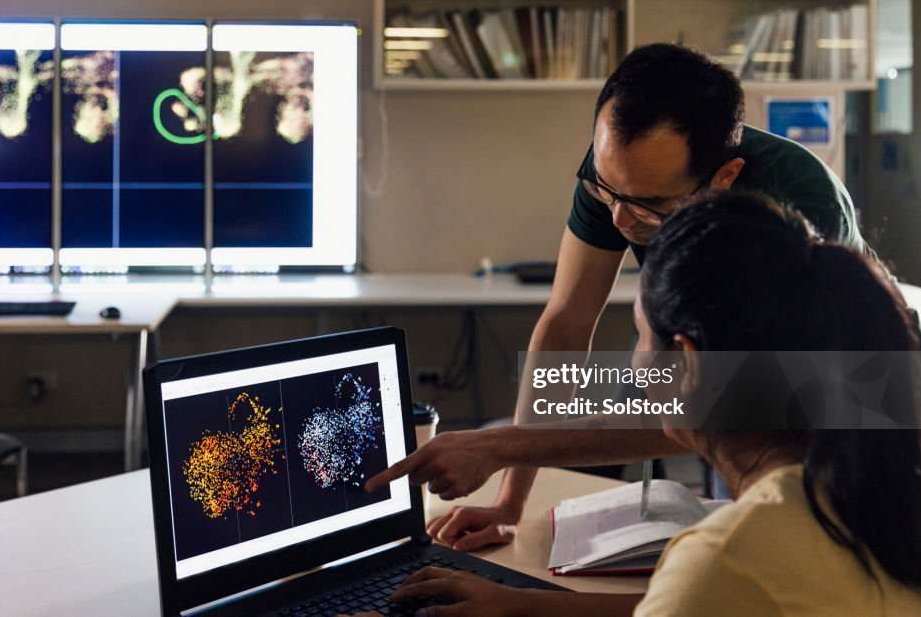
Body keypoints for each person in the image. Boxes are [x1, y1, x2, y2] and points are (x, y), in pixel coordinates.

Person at [365, 43, 869, 551]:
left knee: (758, 531)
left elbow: (728, 405)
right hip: (706, 364)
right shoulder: (621, 175)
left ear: (724, 179)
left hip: (828, 389)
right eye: (607, 191)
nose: (620, 222)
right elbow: (566, 325)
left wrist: (497, 444)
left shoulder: (797, 204)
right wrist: (510, 502)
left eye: (651, 205)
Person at [351, 192, 921, 616]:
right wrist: (520, 607)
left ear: (688, 360)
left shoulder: (727, 560)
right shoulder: (879, 496)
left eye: (640, 337)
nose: (632, 365)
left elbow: (714, 591)